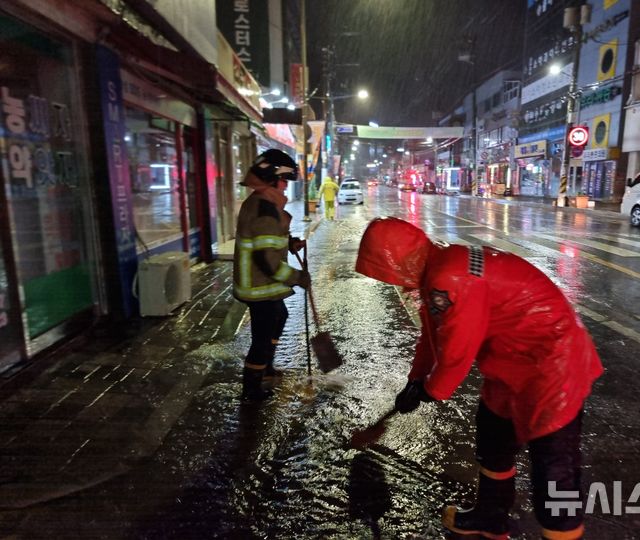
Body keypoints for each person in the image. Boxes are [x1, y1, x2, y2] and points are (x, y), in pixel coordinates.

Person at [355, 217, 603, 540]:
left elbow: (456, 354)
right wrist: (415, 380)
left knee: (554, 470)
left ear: (400, 260)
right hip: (510, 362)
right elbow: (432, 335)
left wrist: (430, 390)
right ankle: (491, 516)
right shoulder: (438, 266)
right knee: (494, 436)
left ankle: (561, 534)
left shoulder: (449, 279)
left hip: (552, 364)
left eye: (386, 273)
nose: (394, 284)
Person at [233, 149, 311, 401]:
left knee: (280, 315)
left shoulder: (263, 203)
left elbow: (267, 241)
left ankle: (266, 366)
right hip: (257, 285)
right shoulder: (265, 208)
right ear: (271, 178)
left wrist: (289, 243)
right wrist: (297, 277)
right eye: (283, 180)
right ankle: (252, 390)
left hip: (259, 282)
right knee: (262, 337)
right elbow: (266, 259)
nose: (286, 185)